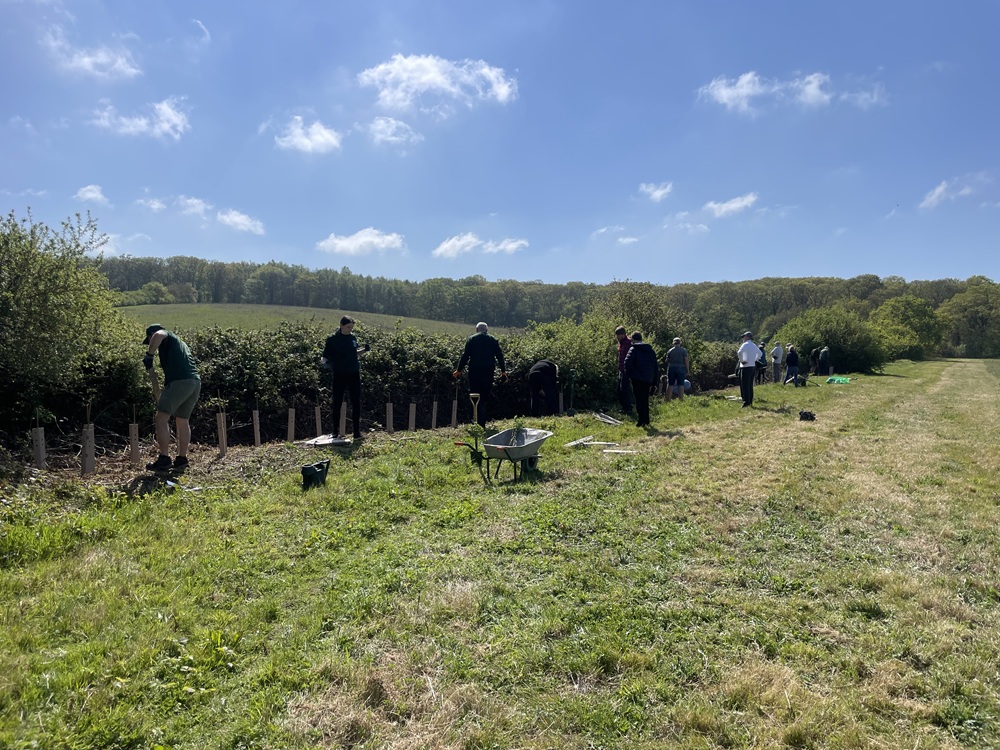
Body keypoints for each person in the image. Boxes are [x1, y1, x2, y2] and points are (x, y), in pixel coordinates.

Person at [142, 324, 201, 471]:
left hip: (179, 382)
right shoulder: (179, 344)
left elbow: (158, 335)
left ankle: (164, 459)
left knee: (161, 419)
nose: (151, 343)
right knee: (182, 420)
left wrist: (149, 355)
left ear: (151, 335)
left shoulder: (164, 334)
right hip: (194, 382)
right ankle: (182, 459)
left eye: (149, 340)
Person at [322, 316, 371, 440]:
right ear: (341, 325)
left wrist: (364, 350)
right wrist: (328, 364)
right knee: (337, 402)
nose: (350, 329)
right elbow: (325, 358)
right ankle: (335, 431)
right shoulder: (332, 340)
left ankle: (357, 432)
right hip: (340, 374)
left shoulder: (352, 338)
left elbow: (354, 354)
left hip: (354, 374)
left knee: (356, 402)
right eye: (348, 327)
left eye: (352, 327)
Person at [454, 322, 507, 428]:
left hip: (474, 372)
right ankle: (481, 422)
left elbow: (465, 356)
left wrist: (458, 370)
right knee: (483, 396)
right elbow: (500, 356)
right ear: (486, 330)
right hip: (488, 372)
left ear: (476, 329)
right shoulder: (493, 340)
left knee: (474, 395)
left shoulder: (472, 339)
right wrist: (503, 371)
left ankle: (474, 420)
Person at [623, 331, 658, 427]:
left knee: (639, 400)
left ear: (633, 339)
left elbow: (627, 363)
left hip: (637, 378)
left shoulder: (633, 349)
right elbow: (655, 366)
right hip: (648, 378)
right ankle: (647, 419)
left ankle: (641, 420)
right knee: (645, 399)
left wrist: (629, 375)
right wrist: (654, 381)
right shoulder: (650, 350)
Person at [737, 331, 762, 408]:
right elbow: (760, 353)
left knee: (744, 385)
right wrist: (754, 360)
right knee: (750, 385)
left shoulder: (745, 345)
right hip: (752, 366)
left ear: (747, 337)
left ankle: (746, 401)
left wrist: (741, 360)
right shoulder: (754, 345)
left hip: (745, 366)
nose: (743, 338)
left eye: (744, 337)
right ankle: (750, 401)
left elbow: (739, 352)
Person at [614, 326, 633, 415]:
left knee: (624, 389)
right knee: (620, 389)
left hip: (627, 369)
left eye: (618, 335)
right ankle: (624, 406)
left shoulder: (628, 343)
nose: (617, 337)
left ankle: (628, 408)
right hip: (621, 369)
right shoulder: (621, 343)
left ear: (623, 335)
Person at [664, 337, 689, 402]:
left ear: (673, 343)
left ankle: (668, 399)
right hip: (681, 368)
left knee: (670, 384)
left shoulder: (670, 351)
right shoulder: (683, 350)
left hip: (671, 368)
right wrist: (687, 370)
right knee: (681, 384)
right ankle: (681, 399)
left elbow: (666, 361)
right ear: (680, 343)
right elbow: (686, 360)